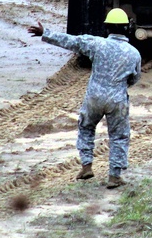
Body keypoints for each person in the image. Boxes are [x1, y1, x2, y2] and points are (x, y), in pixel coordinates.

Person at [27, 9, 142, 188]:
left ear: (107, 28)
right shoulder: (134, 53)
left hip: (94, 97)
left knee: (86, 128)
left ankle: (86, 166)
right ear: (127, 28)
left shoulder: (97, 44)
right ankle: (114, 176)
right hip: (118, 99)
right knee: (119, 136)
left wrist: (45, 33)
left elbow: (72, 41)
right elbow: (134, 78)